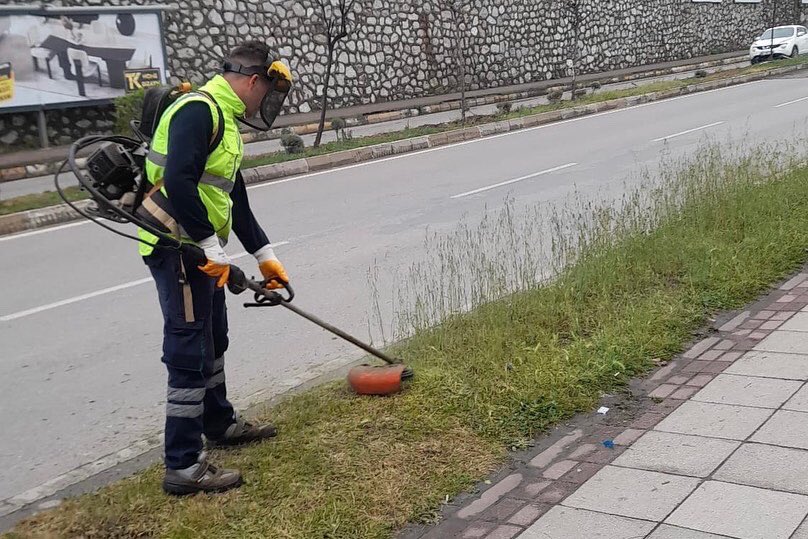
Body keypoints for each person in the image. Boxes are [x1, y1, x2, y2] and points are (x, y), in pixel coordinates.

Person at [136, 41, 292, 495]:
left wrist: (265, 256)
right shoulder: (198, 111)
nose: (265, 101)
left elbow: (232, 195)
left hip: (200, 251)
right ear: (251, 80)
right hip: (176, 246)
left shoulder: (225, 123)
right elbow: (181, 182)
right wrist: (209, 245)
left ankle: (219, 423)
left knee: (213, 337)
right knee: (189, 349)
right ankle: (183, 466)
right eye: (266, 90)